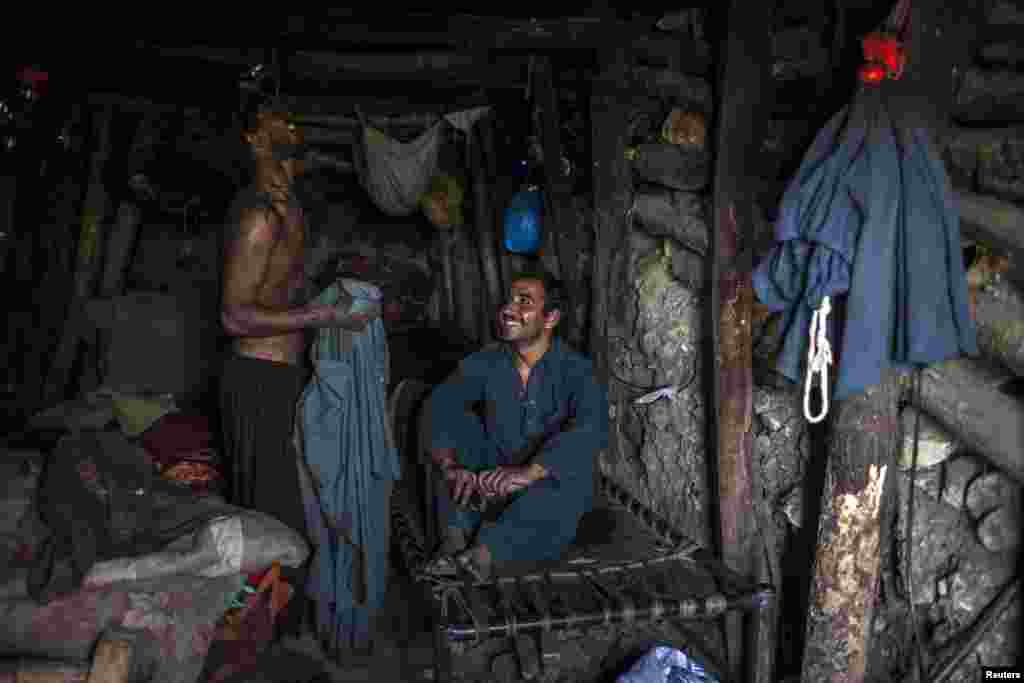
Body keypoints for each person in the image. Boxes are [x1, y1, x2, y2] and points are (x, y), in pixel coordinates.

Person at [219, 106, 379, 635]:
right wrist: (325, 314)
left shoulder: (294, 216)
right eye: (275, 121)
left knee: (302, 508)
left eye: (295, 119)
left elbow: (282, 294)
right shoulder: (258, 218)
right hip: (256, 383)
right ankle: (263, 636)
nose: (293, 126)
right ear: (251, 138)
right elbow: (234, 315)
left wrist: (329, 299)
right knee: (271, 517)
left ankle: (283, 627)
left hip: (288, 380)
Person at [424, 270, 609, 580]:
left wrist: (528, 473)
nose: (508, 310)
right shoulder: (488, 361)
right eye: (509, 301)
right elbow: (440, 406)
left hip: (542, 483)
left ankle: (484, 553)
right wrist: (450, 466)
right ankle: (454, 541)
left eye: (524, 303)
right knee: (457, 425)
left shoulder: (577, 371)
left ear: (550, 318)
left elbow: (590, 429)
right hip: (494, 475)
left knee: (569, 481)